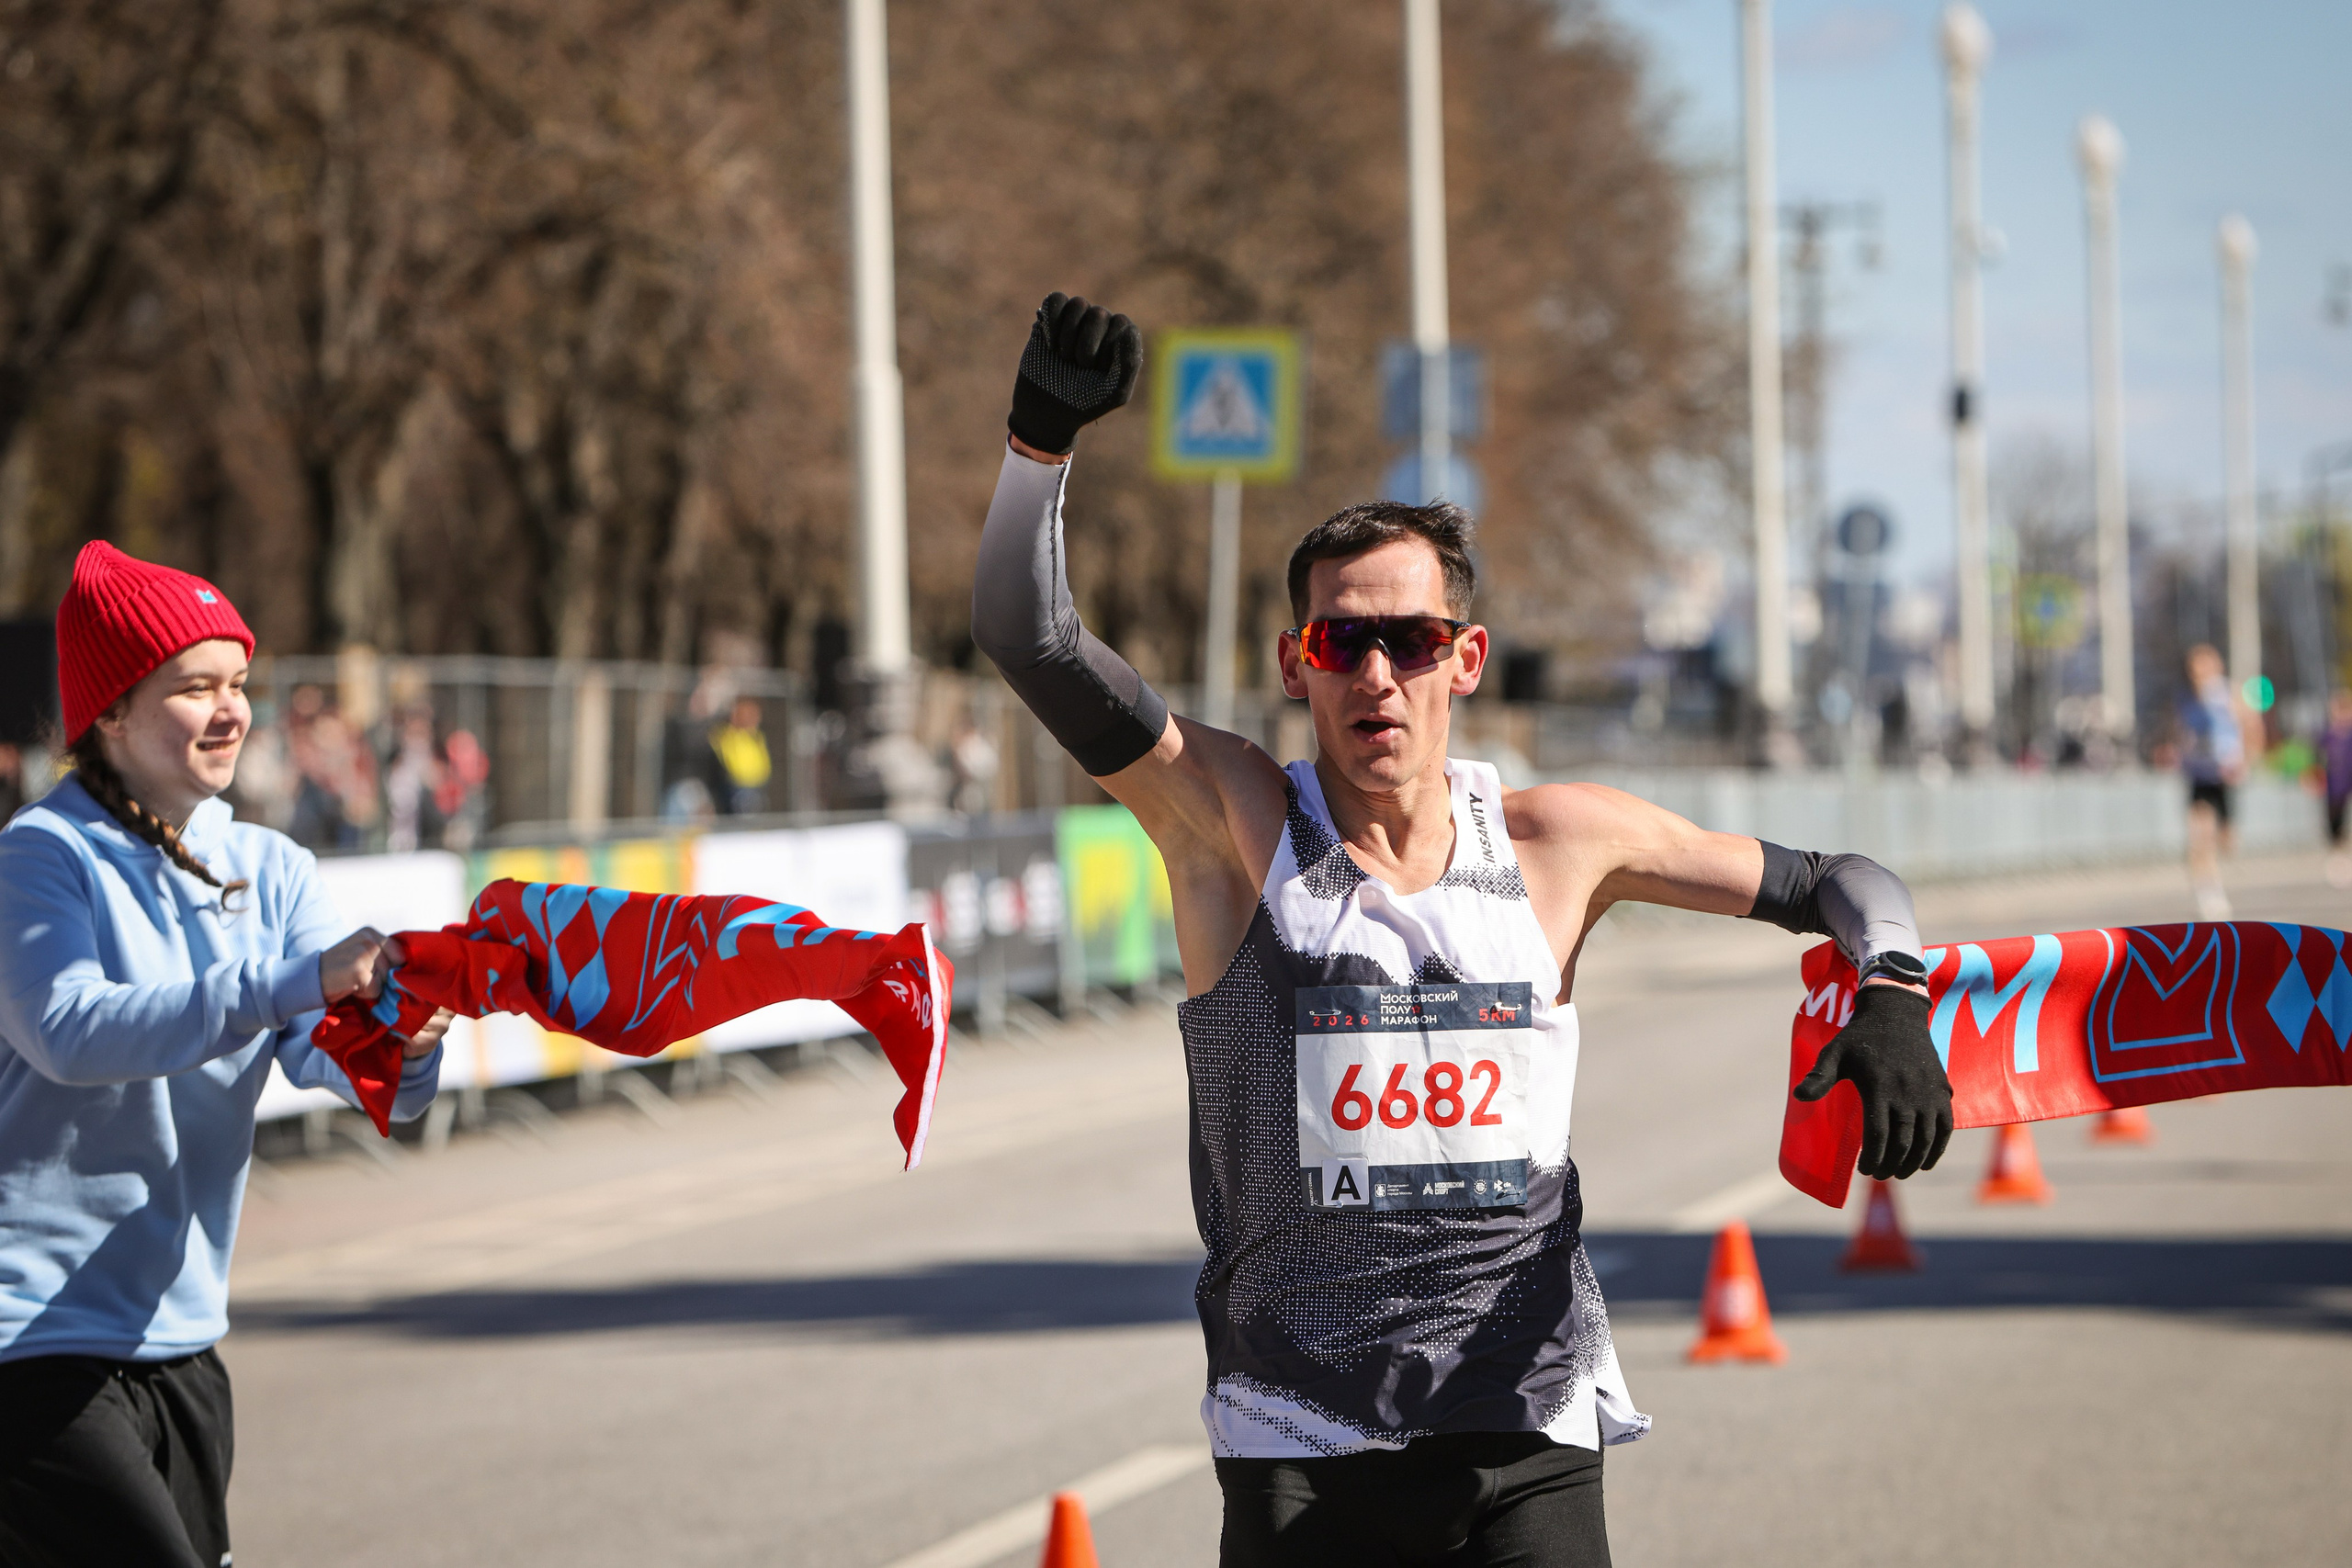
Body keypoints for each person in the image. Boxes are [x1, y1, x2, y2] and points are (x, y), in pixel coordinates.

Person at [972, 295, 1951, 1567]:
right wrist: (1040, 442)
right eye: (1343, 641)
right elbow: (1026, 634)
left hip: (1525, 1426)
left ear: (1467, 656)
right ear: (1295, 662)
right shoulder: (1233, 827)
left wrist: (1892, 987)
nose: (1377, 673)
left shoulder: (1559, 839)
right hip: (1302, 1437)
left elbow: (1844, 876)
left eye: (1411, 640)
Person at [0, 542, 451, 1568]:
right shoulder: (41, 856)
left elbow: (343, 1064)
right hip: (30, 1341)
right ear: (109, 712)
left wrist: (408, 1045)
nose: (231, 709)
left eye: (238, 682)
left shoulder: (271, 867)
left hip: (185, 1336)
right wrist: (295, 981)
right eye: (193, 686)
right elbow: (72, 1033)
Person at [2177, 643, 2255, 920]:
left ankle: (2219, 865)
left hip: (2224, 775)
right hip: (2199, 775)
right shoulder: (2187, 701)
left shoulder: (2228, 694)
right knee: (2200, 836)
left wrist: (2245, 760)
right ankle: (2209, 892)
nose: (2199, 675)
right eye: (2194, 670)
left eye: (2204, 667)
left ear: (2216, 666)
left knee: (2226, 840)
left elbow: (2251, 724)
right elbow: (2181, 734)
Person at [2316, 689, 2352, 888]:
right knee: (2333, 827)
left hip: (2348, 788)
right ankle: (2338, 860)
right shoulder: (2327, 736)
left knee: (2346, 825)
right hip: (2332, 789)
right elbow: (2317, 760)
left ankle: (2344, 861)